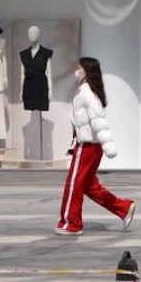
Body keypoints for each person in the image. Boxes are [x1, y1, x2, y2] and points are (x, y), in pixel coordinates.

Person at [56, 57, 135, 236]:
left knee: (74, 185)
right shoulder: (87, 94)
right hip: (89, 147)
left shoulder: (86, 95)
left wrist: (109, 147)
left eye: (79, 68)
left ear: (86, 72)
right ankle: (124, 208)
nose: (76, 71)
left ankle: (71, 223)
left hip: (87, 148)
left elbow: (99, 121)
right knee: (89, 187)